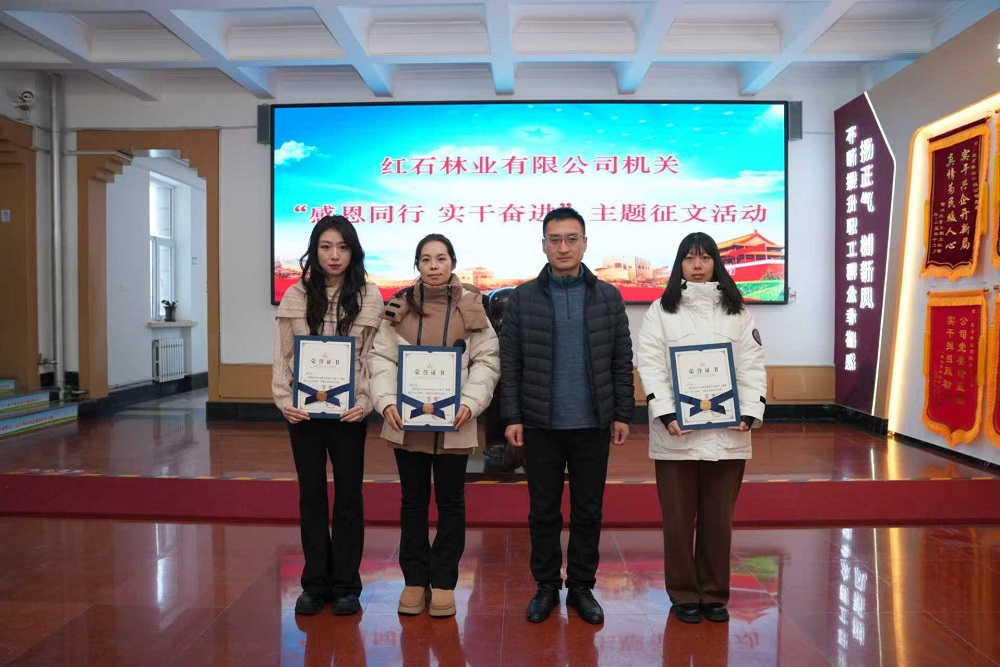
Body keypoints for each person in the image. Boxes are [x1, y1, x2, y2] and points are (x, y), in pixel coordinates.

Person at [499, 206, 635, 625]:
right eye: (555, 239)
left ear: (585, 244)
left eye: (571, 239)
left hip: (593, 422)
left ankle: (581, 587)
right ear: (543, 245)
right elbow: (510, 363)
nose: (563, 247)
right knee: (543, 511)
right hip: (541, 423)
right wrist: (512, 416)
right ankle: (545, 586)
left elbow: (621, 359)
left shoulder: (608, 297)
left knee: (588, 510)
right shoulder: (523, 298)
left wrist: (622, 413)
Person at [636, 231, 766, 624]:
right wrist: (667, 413)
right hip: (677, 431)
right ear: (679, 264)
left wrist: (749, 412)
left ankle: (713, 594)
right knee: (677, 522)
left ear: (715, 263)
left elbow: (752, 365)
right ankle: (682, 594)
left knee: (718, 522)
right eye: (689, 258)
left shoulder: (737, 311)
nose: (697, 265)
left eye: (705, 257)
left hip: (728, 433)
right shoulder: (661, 310)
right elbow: (651, 365)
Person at [368, 233, 500, 618]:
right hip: (406, 423)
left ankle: (443, 581)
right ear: (417, 265)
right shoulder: (400, 306)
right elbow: (380, 358)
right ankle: (414, 580)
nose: (434, 266)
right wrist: (386, 401)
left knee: (451, 504)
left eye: (441, 258)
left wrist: (471, 403)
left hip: (455, 423)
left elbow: (487, 360)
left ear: (452, 262)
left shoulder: (472, 306)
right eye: (426, 259)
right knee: (412, 503)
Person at [272, 214, 384, 616]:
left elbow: (375, 355)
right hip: (303, 413)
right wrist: (283, 400)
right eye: (325, 247)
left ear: (353, 252)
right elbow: (283, 353)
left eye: (342, 247)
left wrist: (366, 402)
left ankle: (347, 585)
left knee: (349, 497)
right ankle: (314, 583)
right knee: (312, 496)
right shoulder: (295, 295)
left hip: (349, 412)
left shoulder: (369, 296)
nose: (334, 255)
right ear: (314, 251)